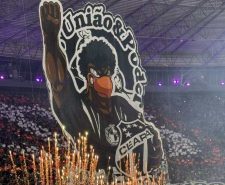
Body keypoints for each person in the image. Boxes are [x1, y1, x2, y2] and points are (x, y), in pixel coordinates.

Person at [40, 1, 163, 175]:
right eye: (101, 72)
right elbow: (58, 83)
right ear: (89, 77)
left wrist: (152, 150)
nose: (107, 78)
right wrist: (51, 38)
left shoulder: (121, 104)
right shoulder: (78, 108)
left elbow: (141, 133)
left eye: (109, 72)